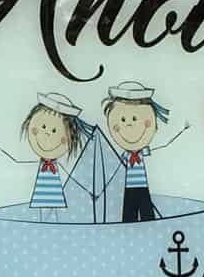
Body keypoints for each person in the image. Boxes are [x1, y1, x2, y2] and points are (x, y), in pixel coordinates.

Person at [74, 79, 188, 223]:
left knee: (146, 210)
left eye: (134, 119)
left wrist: (180, 132)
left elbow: (163, 146)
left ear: (148, 122)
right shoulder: (126, 155)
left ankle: (149, 224)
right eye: (122, 120)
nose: (129, 125)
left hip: (142, 185)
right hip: (129, 186)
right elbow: (116, 168)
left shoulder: (141, 152)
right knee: (129, 212)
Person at [0, 91, 95, 220]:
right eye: (43, 127)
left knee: (54, 209)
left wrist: (87, 191)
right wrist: (2, 152)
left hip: (54, 191)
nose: (47, 134)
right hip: (42, 190)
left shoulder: (57, 166)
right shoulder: (43, 164)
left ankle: (52, 223)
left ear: (66, 139)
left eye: (54, 131)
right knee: (41, 208)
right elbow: (19, 162)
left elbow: (70, 176)